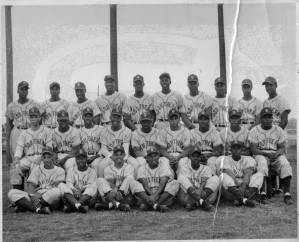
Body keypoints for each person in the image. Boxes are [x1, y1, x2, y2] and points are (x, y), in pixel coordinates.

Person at [248, 107, 293, 205]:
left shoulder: (279, 130)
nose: (267, 119)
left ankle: (287, 194)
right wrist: (266, 154)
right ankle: (263, 194)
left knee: (285, 164)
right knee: (263, 163)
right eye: (265, 117)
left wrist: (277, 153)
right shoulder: (254, 130)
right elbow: (253, 149)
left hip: (275, 154)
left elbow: (282, 147)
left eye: (269, 117)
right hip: (260, 154)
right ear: (261, 119)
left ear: (272, 118)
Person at [8, 146, 65, 214]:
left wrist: (38, 196)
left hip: (50, 196)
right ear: (42, 159)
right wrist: (33, 196)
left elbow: (58, 187)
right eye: (44, 157)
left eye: (49, 157)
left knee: (57, 191)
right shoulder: (37, 169)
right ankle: (40, 209)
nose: (46, 160)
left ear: (53, 157)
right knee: (12, 193)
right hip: (36, 195)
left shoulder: (60, 170)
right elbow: (31, 187)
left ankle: (26, 206)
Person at [95, 145, 150, 212]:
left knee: (130, 179)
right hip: (112, 193)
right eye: (116, 154)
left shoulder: (129, 167)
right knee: (99, 180)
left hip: (124, 195)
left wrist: (119, 192)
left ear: (124, 155)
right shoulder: (108, 169)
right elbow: (110, 183)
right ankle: (118, 205)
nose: (119, 157)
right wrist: (115, 191)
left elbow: (129, 184)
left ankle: (110, 204)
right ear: (113, 156)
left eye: (121, 154)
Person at [10, 107, 52, 190]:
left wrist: (42, 157)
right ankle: (19, 194)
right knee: (15, 168)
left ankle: (35, 194)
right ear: (29, 118)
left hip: (41, 158)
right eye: (31, 116)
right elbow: (19, 147)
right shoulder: (24, 132)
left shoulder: (46, 130)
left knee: (35, 167)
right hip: (28, 158)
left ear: (39, 117)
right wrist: (16, 158)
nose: (33, 119)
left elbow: (49, 147)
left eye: (35, 116)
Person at [97, 108, 138, 177]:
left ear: (121, 118)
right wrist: (111, 156)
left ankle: (133, 184)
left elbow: (126, 147)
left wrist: (122, 158)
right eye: (114, 116)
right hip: (110, 155)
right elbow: (103, 149)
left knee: (135, 164)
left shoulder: (127, 131)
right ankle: (102, 184)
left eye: (118, 116)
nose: (116, 119)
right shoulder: (104, 131)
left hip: (123, 155)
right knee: (101, 165)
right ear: (110, 117)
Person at [137, 146, 179, 212]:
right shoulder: (142, 168)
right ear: (146, 158)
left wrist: (154, 196)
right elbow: (145, 186)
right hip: (148, 196)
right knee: (135, 183)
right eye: (150, 156)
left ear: (159, 157)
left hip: (161, 196)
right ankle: (157, 206)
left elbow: (162, 186)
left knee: (175, 183)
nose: (153, 158)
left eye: (155, 156)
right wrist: (152, 197)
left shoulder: (164, 167)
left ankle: (151, 205)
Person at [6, 81, 42, 160]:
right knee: (16, 156)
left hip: (30, 131)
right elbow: (10, 121)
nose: (24, 91)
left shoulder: (35, 103)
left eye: (26, 89)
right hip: (17, 131)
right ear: (17, 90)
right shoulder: (11, 106)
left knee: (31, 155)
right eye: (22, 89)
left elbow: (41, 118)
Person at [220, 141, 262, 207]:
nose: (236, 150)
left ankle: (238, 199)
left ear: (241, 150)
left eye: (238, 148)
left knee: (259, 175)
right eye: (234, 148)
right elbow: (228, 172)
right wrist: (238, 187)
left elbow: (248, 173)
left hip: (245, 183)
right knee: (223, 176)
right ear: (231, 150)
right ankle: (245, 199)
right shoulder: (225, 159)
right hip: (233, 185)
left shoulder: (248, 159)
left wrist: (243, 186)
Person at [177, 146, 220, 211]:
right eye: (193, 156)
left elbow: (204, 181)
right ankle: (202, 202)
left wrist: (199, 190)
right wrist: (196, 191)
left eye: (198, 156)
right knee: (180, 177)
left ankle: (195, 203)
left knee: (216, 178)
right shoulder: (184, 168)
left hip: (202, 193)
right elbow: (187, 183)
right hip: (190, 195)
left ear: (200, 158)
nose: (196, 158)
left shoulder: (206, 168)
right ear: (189, 157)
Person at [156, 109, 191, 175]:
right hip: (167, 155)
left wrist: (179, 157)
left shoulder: (185, 131)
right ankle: (167, 182)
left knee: (182, 164)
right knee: (164, 163)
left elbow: (187, 149)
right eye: (171, 118)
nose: (174, 120)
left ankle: (182, 182)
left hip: (181, 155)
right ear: (168, 119)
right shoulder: (163, 131)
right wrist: (169, 157)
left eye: (176, 118)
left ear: (179, 119)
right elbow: (161, 149)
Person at [188, 110, 223, 176]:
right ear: (198, 120)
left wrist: (208, 155)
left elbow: (218, 150)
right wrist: (199, 157)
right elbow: (190, 150)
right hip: (196, 156)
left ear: (209, 120)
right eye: (201, 119)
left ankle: (212, 181)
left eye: (205, 119)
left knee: (211, 161)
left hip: (210, 156)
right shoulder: (192, 133)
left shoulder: (214, 132)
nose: (203, 121)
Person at [79, 107, 104, 177]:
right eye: (85, 116)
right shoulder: (79, 131)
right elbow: (79, 147)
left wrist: (95, 157)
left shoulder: (100, 129)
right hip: (84, 156)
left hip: (97, 156)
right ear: (82, 117)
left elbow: (104, 146)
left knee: (95, 165)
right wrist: (85, 157)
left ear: (92, 117)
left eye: (89, 116)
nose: (87, 118)